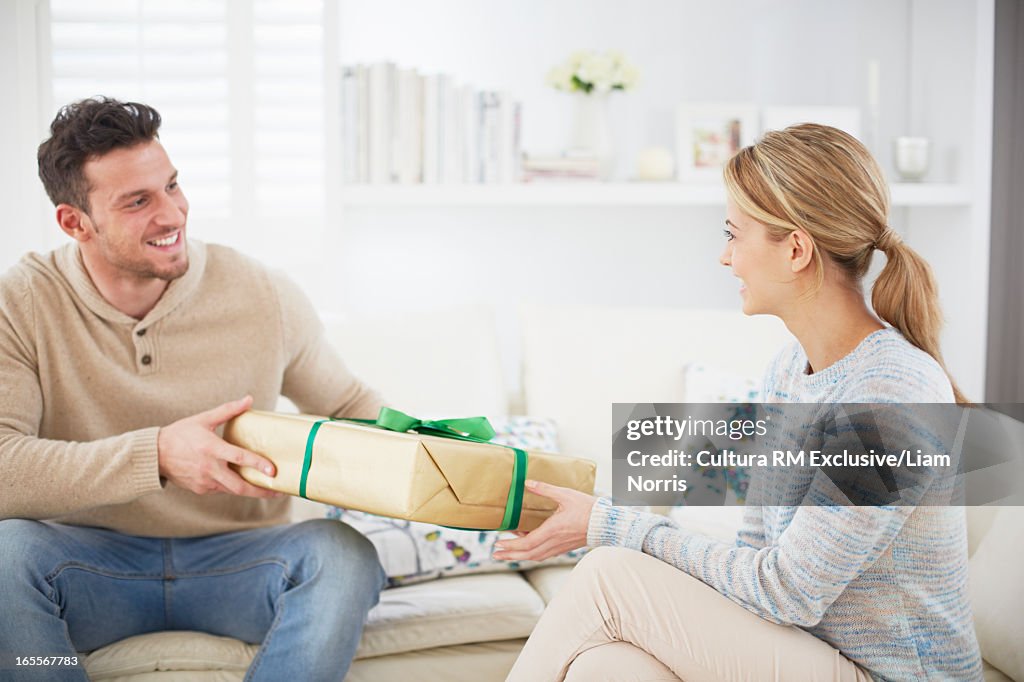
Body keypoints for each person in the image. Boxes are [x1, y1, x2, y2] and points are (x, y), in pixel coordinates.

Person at [497, 124, 983, 681]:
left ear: (796, 249)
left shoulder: (891, 391)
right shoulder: (786, 371)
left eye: (734, 235)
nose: (726, 258)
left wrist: (611, 526)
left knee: (608, 576)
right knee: (609, 666)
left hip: (889, 675)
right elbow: (756, 551)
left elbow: (787, 591)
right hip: (809, 652)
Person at [0, 97, 386, 681]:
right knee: (6, 558)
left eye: (172, 186)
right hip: (86, 565)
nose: (172, 214)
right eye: (138, 201)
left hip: (242, 563)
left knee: (343, 555)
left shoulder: (263, 293)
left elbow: (351, 408)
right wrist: (156, 454)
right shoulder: (21, 304)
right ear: (75, 222)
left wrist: (450, 465)